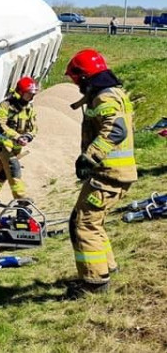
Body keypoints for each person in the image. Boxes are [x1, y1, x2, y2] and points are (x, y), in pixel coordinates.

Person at [64, 49, 136, 297]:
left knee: (83, 224)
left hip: (109, 175)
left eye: (77, 80)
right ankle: (107, 268)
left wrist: (89, 157)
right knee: (93, 221)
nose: (77, 85)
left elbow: (116, 130)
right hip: (113, 173)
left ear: (85, 77)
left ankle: (94, 284)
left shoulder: (104, 98)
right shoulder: (112, 93)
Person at [0, 76, 39, 205]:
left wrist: (28, 136)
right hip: (2, 142)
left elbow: (34, 127)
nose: (30, 97)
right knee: (13, 167)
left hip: (17, 145)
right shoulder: (6, 105)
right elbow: (2, 124)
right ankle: (20, 197)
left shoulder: (29, 108)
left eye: (32, 95)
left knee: (3, 169)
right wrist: (17, 136)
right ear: (20, 93)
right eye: (28, 95)